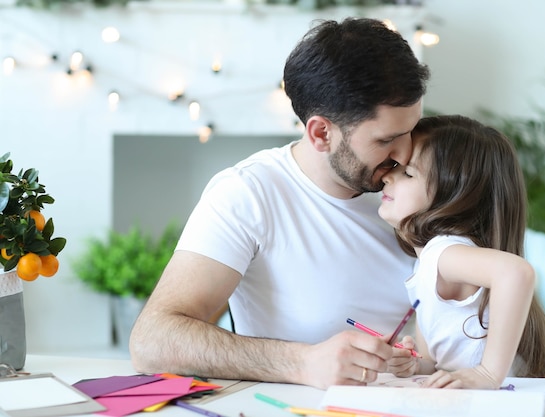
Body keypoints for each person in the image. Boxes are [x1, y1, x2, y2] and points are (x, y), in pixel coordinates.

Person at [129, 17, 430, 389]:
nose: (406, 153)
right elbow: (152, 340)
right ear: (321, 133)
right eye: (387, 139)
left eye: (412, 129)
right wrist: (301, 362)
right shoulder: (248, 193)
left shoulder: (427, 179)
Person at [379, 115, 545, 389]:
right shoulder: (425, 265)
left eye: (407, 173)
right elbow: (434, 359)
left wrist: (488, 373)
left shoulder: (443, 253)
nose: (387, 175)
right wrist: (414, 362)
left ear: (453, 196)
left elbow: (517, 272)